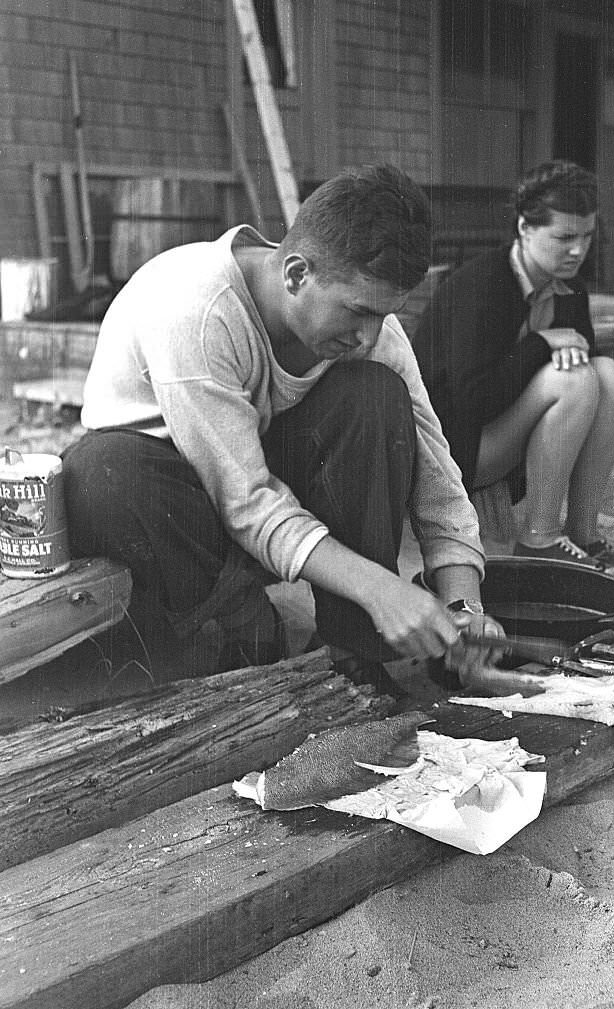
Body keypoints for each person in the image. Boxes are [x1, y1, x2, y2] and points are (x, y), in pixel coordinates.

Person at [62, 164, 505, 689]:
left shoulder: (371, 333)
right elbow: (243, 500)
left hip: (260, 503)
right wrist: (384, 588)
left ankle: (354, 652)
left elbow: (438, 475)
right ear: (296, 274)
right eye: (358, 311)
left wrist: (462, 602)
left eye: (386, 315)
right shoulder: (195, 307)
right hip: (172, 513)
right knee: (105, 470)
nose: (368, 336)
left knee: (374, 394)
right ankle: (229, 628)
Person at [414, 160, 614, 576]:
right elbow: (473, 402)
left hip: (508, 436)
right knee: (573, 380)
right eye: (564, 238)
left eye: (587, 237)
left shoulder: (568, 282)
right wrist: (542, 343)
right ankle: (538, 538)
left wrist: (553, 347)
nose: (578, 250)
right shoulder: (482, 284)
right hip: (453, 451)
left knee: (610, 375)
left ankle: (583, 533)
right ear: (524, 228)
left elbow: (583, 347)